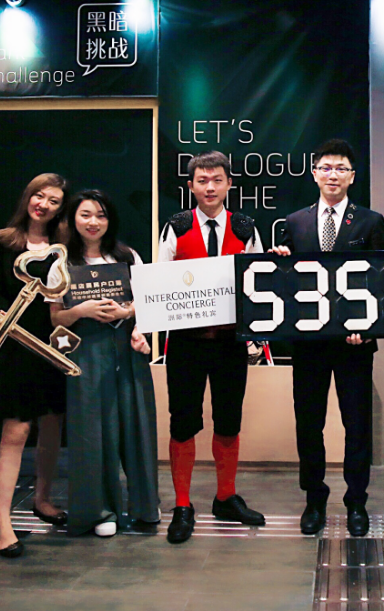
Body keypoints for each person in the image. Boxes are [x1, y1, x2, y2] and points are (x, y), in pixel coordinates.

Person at [271, 139, 384, 537]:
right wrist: (278, 262)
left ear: (352, 176)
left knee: (357, 424)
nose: (332, 175)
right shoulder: (294, 222)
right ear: (314, 173)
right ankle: (314, 498)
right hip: (309, 344)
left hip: (354, 345)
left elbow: (381, 281)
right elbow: (287, 285)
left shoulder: (370, 222)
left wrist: (368, 330)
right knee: (309, 423)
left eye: (341, 168)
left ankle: (357, 501)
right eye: (326, 167)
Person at [158, 151, 265, 544]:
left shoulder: (245, 227)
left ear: (229, 184)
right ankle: (182, 505)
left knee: (229, 419)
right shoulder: (176, 226)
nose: (209, 187)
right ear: (191, 186)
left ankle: (225, 497)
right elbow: (161, 283)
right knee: (183, 421)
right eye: (202, 180)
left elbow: (259, 281)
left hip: (229, 343)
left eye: (217, 179)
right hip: (185, 344)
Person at [51, 190, 160, 538]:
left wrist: (128, 314)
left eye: (100, 215)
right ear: (72, 219)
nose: (93, 222)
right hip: (86, 352)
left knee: (137, 425)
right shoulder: (61, 263)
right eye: (85, 215)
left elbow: (147, 301)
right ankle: (98, 510)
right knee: (92, 430)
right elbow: (55, 317)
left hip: (127, 349)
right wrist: (80, 310)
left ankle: (144, 505)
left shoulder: (126, 256)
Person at [0, 173, 69, 558]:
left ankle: (42, 498)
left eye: (53, 200)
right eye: (39, 195)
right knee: (15, 432)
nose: (43, 204)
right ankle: (3, 521)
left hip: (54, 345)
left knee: (52, 424)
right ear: (27, 196)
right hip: (15, 346)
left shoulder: (64, 247)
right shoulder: (1, 242)